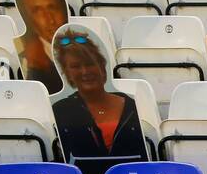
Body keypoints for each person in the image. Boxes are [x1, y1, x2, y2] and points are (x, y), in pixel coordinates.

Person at [50, 28, 146, 163]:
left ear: (102, 66)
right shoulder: (60, 110)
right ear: (67, 73)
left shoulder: (134, 105)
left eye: (89, 64)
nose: (84, 71)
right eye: (76, 66)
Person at [14, 0, 68, 94]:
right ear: (27, 17)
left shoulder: (86, 47)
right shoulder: (28, 64)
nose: (50, 20)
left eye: (52, 7)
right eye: (37, 11)